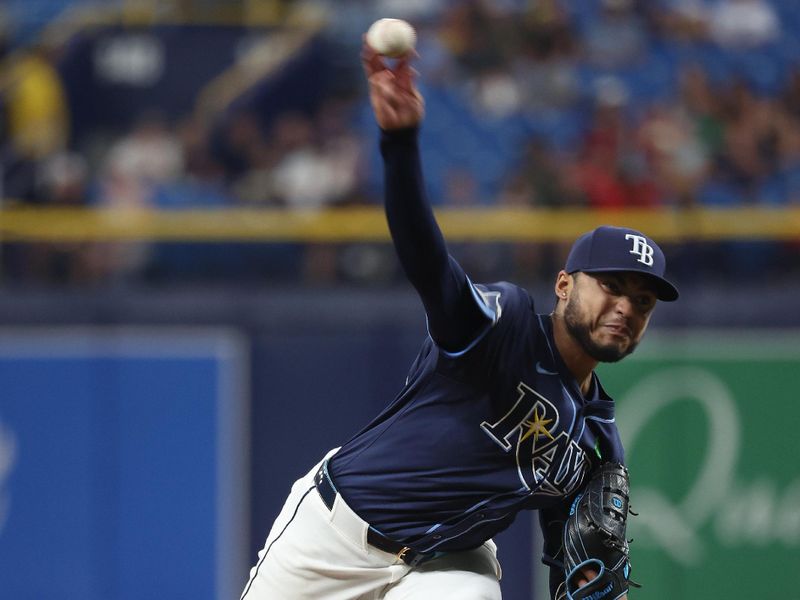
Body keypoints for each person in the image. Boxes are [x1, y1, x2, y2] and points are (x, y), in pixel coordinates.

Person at [241, 42, 679, 600]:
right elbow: (428, 262)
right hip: (336, 534)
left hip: (447, 564)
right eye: (612, 287)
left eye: (642, 301)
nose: (624, 307)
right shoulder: (507, 327)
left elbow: (573, 561)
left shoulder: (597, 440)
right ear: (564, 284)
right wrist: (399, 146)